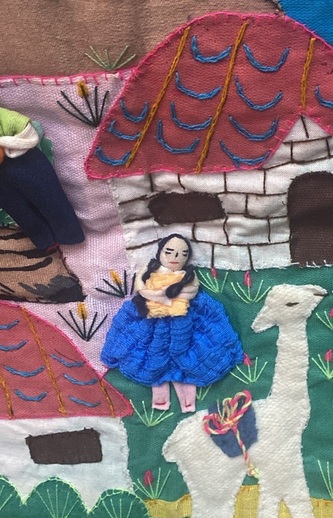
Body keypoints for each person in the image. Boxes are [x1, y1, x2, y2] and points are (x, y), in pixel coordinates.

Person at [101, 234, 243, 412]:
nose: (175, 257)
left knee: (188, 357)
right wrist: (154, 297)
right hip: (152, 319)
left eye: (182, 254)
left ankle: (188, 403)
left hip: (184, 319)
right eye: (169, 252)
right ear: (160, 253)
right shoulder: (149, 275)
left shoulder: (188, 279)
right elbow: (140, 289)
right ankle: (160, 401)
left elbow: (198, 296)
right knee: (154, 358)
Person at [0, 106, 84, 249]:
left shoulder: (3, 117)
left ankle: (70, 234)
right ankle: (44, 239)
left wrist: (6, 144)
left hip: (24, 160)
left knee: (50, 197)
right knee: (19, 211)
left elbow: (26, 131)